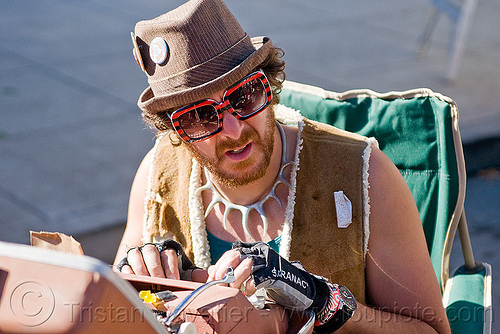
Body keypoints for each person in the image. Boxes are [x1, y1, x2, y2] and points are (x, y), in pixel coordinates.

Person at [114, 0, 451, 332]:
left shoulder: (364, 174)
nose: (233, 130)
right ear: (176, 132)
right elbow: (108, 313)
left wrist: (324, 301)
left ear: (270, 87)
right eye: (200, 117)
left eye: (244, 96)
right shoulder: (157, 177)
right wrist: (146, 279)